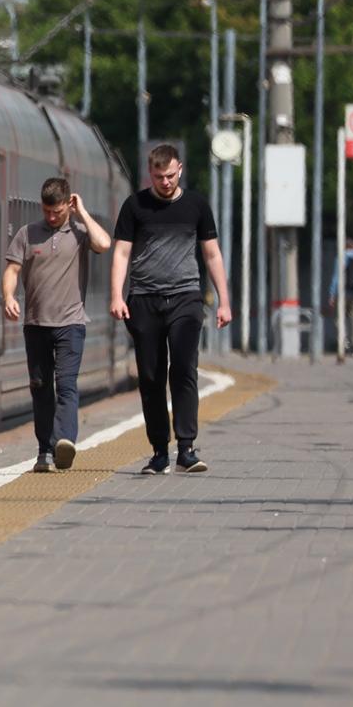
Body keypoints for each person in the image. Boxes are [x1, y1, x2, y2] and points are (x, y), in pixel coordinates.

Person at [111, 144, 232, 475]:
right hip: (144, 300)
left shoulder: (196, 205)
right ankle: (159, 451)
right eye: (158, 177)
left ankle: (186, 448)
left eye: (169, 176)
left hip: (185, 297)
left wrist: (224, 301)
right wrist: (117, 296)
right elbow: (121, 253)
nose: (165, 182)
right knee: (151, 376)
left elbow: (212, 254)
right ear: (150, 174)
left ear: (180, 170)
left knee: (183, 368)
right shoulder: (135, 206)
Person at [3, 177, 112, 472]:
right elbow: (12, 269)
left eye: (58, 211)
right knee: (40, 387)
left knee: (65, 385)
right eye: (47, 211)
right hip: (36, 323)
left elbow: (104, 244)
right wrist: (8, 296)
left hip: (70, 324)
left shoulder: (80, 233)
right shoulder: (28, 234)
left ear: (68, 205)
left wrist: (82, 213)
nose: (51, 217)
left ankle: (64, 441)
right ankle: (44, 451)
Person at [325, 240, 353, 357]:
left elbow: (336, 277)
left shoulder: (341, 257)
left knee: (339, 318)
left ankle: (344, 341)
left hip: (342, 293)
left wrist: (332, 294)